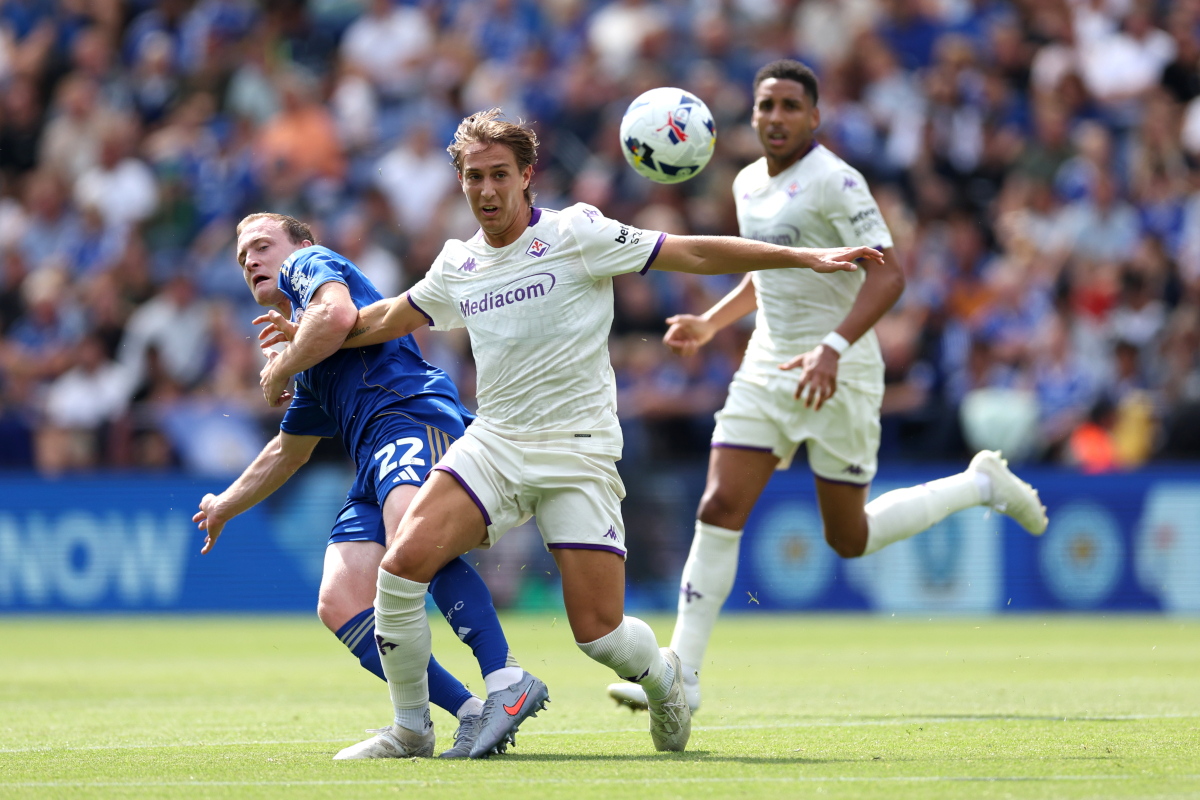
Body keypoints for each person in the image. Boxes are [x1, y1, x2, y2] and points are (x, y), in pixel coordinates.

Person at [260, 107, 882, 758]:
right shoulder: (458, 263)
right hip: (496, 444)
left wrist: (805, 257)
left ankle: (664, 677)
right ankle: (413, 728)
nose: (487, 190)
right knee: (402, 566)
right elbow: (385, 317)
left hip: (577, 452)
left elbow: (692, 252)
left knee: (599, 634)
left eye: (500, 175)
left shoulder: (576, 233)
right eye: (474, 178)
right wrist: (304, 337)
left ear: (528, 176)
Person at [606, 60, 1050, 714]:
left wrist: (833, 348)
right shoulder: (749, 182)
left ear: (814, 117)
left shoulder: (837, 182)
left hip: (839, 372)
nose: (776, 117)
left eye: (790, 106)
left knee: (849, 538)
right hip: (766, 366)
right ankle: (683, 675)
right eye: (766, 106)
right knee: (718, 506)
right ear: (751, 116)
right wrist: (710, 322)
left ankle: (979, 483)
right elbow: (767, 272)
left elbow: (890, 276)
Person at [193, 212, 534, 759]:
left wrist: (279, 370)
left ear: (301, 246)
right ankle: (448, 717)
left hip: (410, 418)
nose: (251, 261)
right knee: (341, 599)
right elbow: (290, 449)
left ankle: (504, 680)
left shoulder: (310, 266)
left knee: (413, 538)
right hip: (372, 457)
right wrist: (225, 506)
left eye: (262, 246)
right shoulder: (311, 359)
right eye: (242, 258)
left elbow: (334, 315)